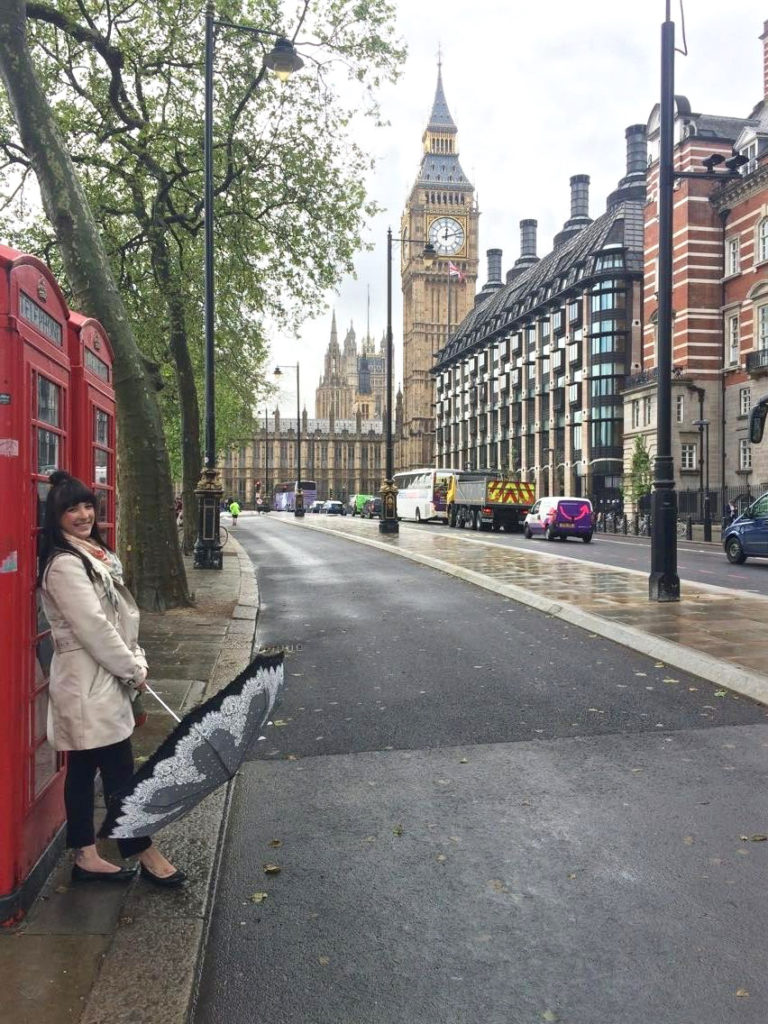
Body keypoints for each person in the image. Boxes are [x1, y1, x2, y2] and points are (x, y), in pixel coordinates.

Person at [38, 471, 186, 888]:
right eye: (72, 509)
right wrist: (133, 669)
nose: (84, 514)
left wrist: (134, 657)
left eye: (87, 506)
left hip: (102, 677)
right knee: (121, 771)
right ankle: (142, 850)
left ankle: (85, 854)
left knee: (83, 770)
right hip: (89, 682)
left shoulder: (92, 553)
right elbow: (95, 628)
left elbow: (118, 620)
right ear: (56, 516)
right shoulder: (64, 565)